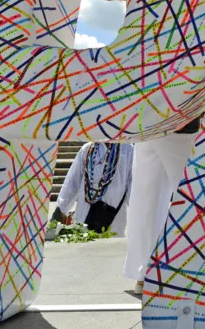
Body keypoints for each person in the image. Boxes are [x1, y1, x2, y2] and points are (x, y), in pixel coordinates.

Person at [123, 122, 196, 295]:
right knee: (191, 195)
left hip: (150, 121)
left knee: (146, 201)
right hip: (177, 122)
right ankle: (152, 269)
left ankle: (145, 270)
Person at [53, 141, 133, 236]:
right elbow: (72, 182)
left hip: (114, 220)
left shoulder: (128, 150)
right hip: (84, 216)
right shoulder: (87, 149)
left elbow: (133, 190)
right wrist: (60, 210)